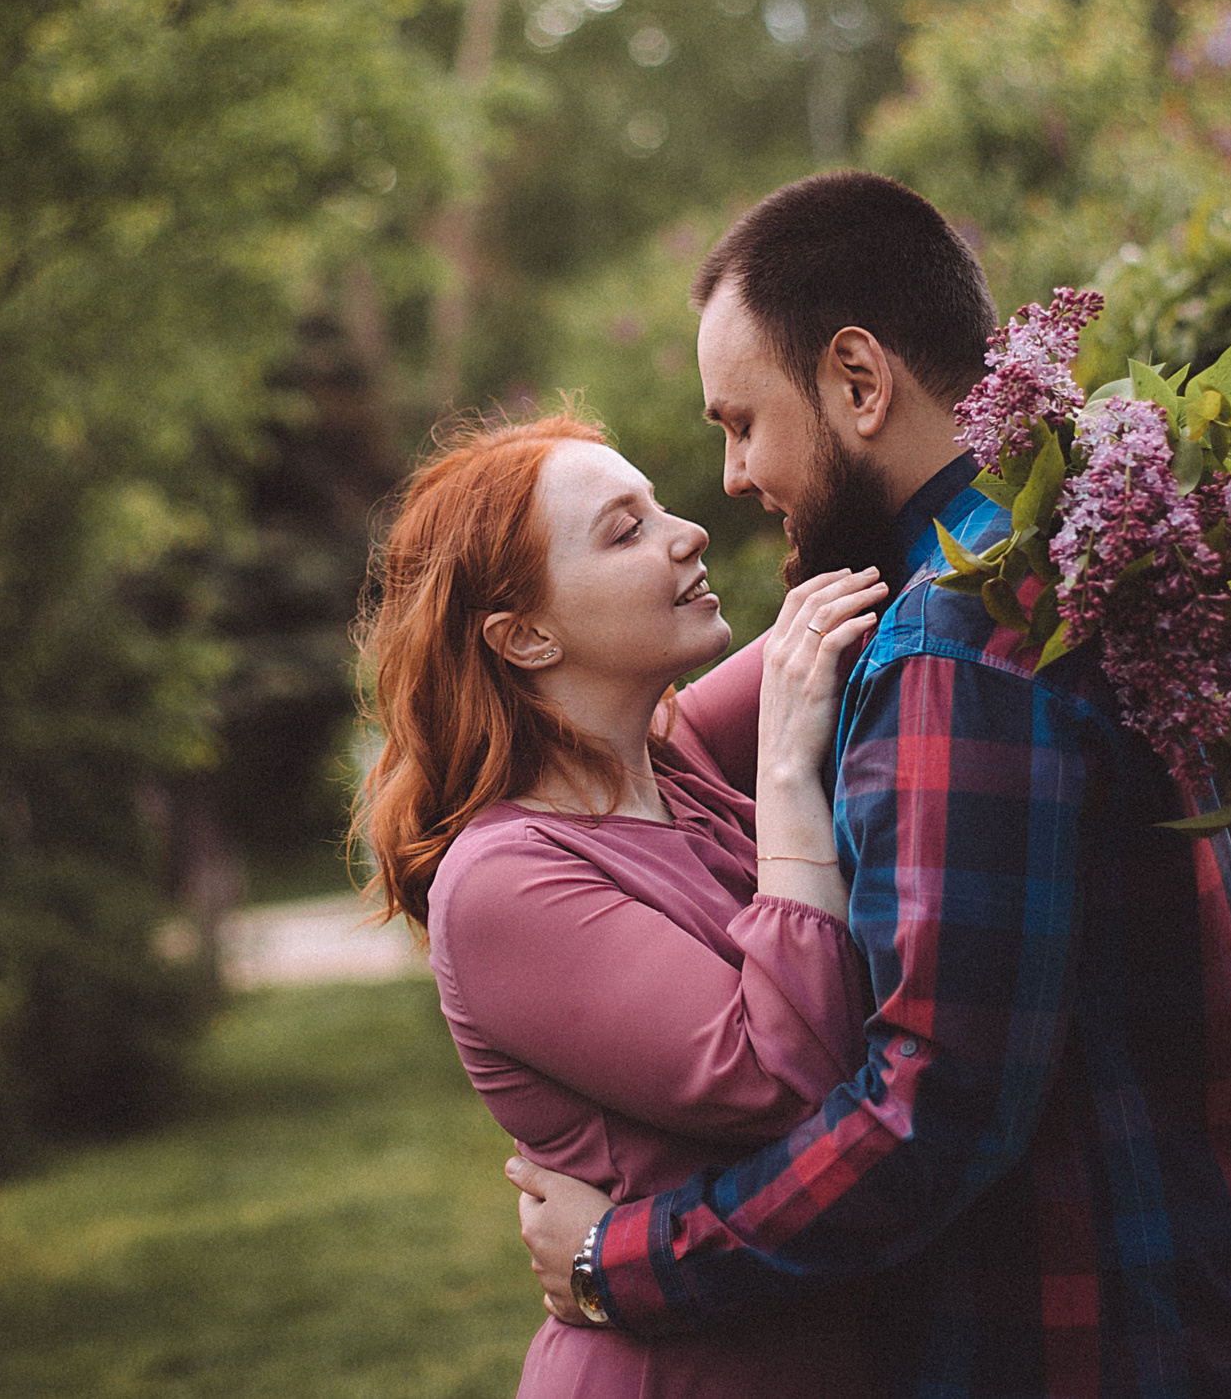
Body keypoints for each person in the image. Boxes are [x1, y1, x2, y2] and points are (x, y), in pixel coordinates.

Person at [506, 171, 1231, 1399]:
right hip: (1220, 1322)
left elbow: (929, 1114)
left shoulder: (960, 649)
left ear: (858, 381)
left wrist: (618, 1260)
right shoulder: (1081, 564)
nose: (734, 477)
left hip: (1103, 1354)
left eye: (741, 422)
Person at [357, 409, 894, 1397]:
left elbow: (854, 611)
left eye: (658, 507)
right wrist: (784, 779)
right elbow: (788, 1077)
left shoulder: (670, 768)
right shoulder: (505, 882)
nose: (686, 531)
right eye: (626, 530)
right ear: (523, 638)